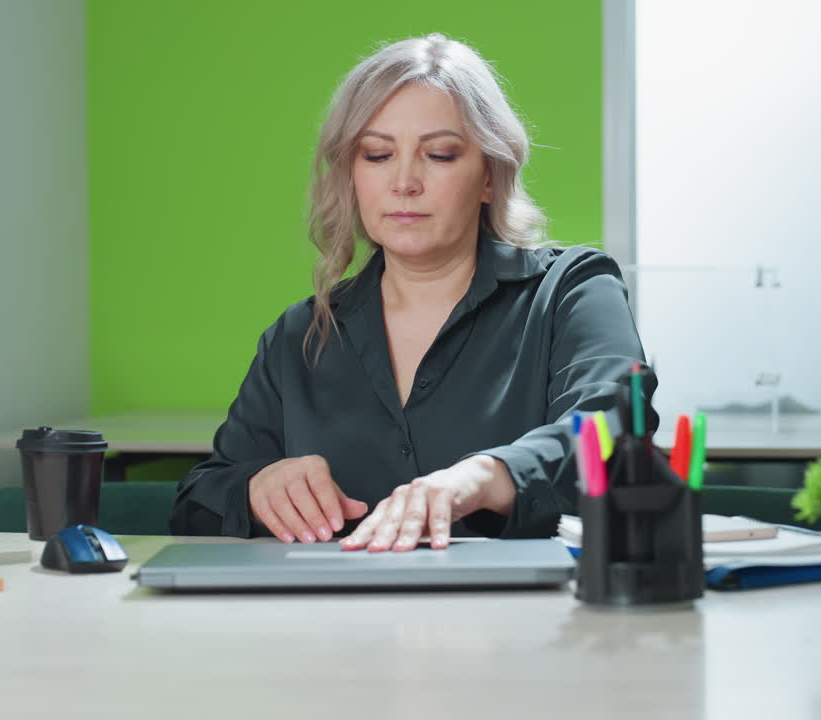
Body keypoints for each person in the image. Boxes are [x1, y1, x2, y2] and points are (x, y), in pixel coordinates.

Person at [170, 33, 655, 551]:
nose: (404, 181)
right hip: (332, 626)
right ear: (351, 175)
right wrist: (253, 488)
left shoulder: (571, 290)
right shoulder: (299, 336)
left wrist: (483, 478)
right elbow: (196, 502)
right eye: (377, 155)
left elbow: (611, 430)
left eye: (440, 155)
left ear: (489, 176)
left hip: (528, 622)